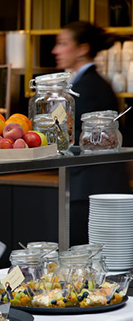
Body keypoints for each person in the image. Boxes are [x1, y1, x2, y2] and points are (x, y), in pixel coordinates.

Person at [52, 21, 131, 245]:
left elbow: (90, 139)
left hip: (93, 190)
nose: (55, 50)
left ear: (83, 49)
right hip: (86, 187)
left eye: (63, 44)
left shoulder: (90, 87)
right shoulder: (79, 84)